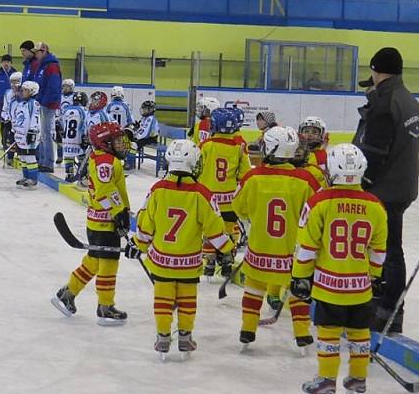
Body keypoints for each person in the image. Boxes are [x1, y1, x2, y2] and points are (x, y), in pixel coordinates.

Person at [291, 143, 387, 394]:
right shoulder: (376, 206)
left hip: (328, 285)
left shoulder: (319, 201)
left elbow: (307, 246)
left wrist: (300, 276)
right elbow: (379, 249)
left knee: (329, 334)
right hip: (360, 287)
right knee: (359, 333)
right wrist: (375, 276)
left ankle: (326, 382)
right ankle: (358, 380)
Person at [126, 139, 234, 358]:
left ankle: (163, 337)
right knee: (187, 301)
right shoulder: (202, 193)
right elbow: (215, 227)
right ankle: (185, 337)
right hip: (189, 263)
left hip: (162, 262)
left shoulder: (157, 190)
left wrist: (138, 244)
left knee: (163, 301)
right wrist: (228, 247)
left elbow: (146, 224)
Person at [351, 46, 419, 334]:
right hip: (403, 183)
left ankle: (387, 309)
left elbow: (374, 151)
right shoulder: (410, 101)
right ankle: (387, 306)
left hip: (383, 189)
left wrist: (361, 183)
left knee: (387, 249)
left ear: (376, 70)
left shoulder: (384, 102)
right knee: (390, 247)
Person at [233, 126, 321, 350]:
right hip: (291, 254)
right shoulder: (306, 180)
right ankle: (302, 334)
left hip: (259, 250)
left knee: (253, 289)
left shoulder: (253, 177)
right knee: (296, 292)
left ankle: (247, 330)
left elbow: (239, 208)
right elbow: (317, 215)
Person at [52, 122, 132, 326]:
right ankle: (105, 307)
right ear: (105, 143)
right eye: (116, 140)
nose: (121, 144)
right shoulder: (106, 161)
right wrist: (119, 213)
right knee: (108, 264)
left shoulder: (102, 157)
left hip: (96, 221)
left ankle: (68, 293)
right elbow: (106, 190)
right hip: (105, 223)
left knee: (94, 261)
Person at [198, 108, 251, 278]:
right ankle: (228, 257)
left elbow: (196, 169)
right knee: (230, 227)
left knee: (209, 230)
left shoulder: (206, 145)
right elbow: (245, 175)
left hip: (208, 199)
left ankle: (211, 260)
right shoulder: (239, 147)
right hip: (230, 200)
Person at [3, 80, 41, 189]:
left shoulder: (34, 104)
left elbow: (36, 118)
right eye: (23, 90)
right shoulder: (21, 104)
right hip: (20, 135)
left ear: (32, 92)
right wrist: (14, 129)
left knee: (30, 157)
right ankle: (26, 177)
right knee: (23, 157)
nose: (23, 92)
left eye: (26, 90)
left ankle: (33, 179)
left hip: (30, 135)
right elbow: (16, 118)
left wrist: (32, 131)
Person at [31, 42, 62, 173]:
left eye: (37, 52)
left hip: (48, 104)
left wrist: (44, 101)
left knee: (46, 133)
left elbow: (53, 87)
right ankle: (43, 160)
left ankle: (48, 163)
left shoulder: (52, 67)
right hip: (42, 103)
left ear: (43, 51)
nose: (35, 55)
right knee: (43, 134)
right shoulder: (42, 66)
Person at [60, 91, 88, 183]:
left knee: (68, 157)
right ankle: (83, 176)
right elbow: (85, 124)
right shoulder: (83, 110)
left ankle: (69, 175)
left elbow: (62, 124)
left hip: (67, 139)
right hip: (78, 139)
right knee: (82, 157)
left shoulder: (66, 110)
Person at [0, 54, 17, 145]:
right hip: (1, 103)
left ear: (11, 63)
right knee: (3, 122)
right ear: (1, 63)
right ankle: (4, 141)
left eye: (8, 62)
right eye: (4, 62)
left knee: (14, 122)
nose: (6, 64)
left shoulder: (16, 74)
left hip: (14, 103)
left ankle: (14, 142)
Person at [0, 71, 22, 166]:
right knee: (9, 139)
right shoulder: (8, 93)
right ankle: (10, 157)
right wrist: (6, 119)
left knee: (21, 140)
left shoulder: (24, 94)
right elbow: (5, 108)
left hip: (20, 123)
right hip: (10, 121)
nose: (13, 84)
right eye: (12, 82)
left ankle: (21, 156)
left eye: (16, 81)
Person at [55, 79, 76, 165]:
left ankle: (72, 156)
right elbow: (57, 107)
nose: (66, 88)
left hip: (71, 120)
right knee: (59, 140)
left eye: (68, 86)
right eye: (64, 86)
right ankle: (60, 156)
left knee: (71, 140)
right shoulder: (59, 96)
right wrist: (56, 117)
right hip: (60, 120)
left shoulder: (75, 97)